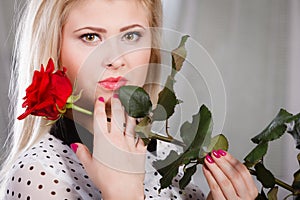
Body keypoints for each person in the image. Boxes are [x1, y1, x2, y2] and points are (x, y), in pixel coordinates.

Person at [0, 0, 258, 199]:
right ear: (53, 48)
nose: (115, 58)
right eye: (90, 37)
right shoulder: (39, 174)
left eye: (131, 36)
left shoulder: (168, 157)